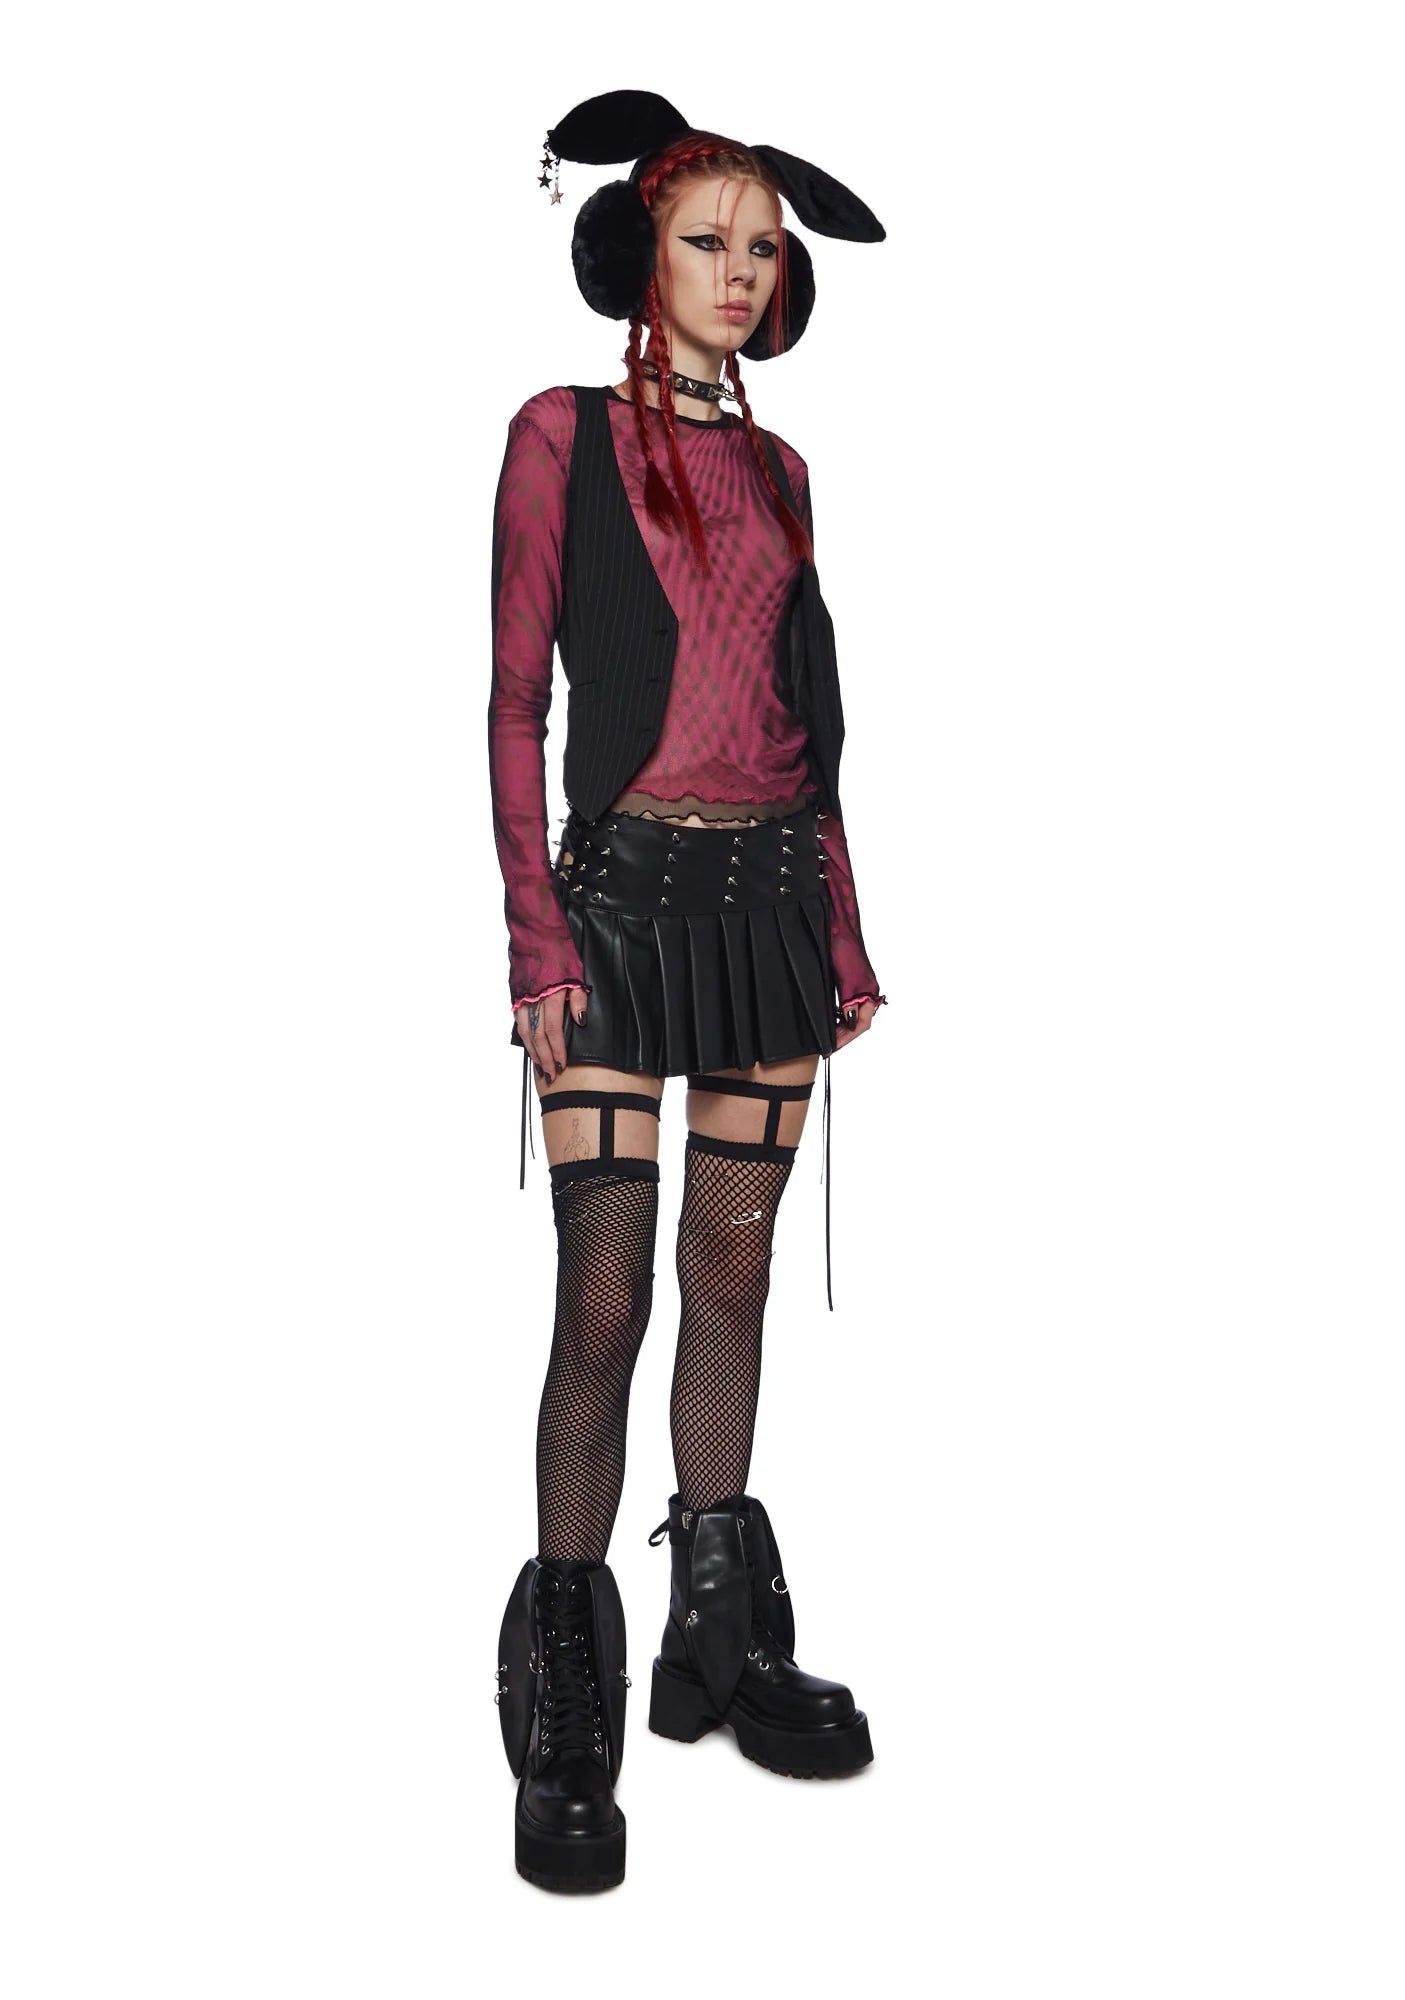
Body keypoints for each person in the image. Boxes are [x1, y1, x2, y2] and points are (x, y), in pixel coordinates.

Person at [491, 91, 887, 1893]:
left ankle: (714, 1639)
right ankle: (565, 1691)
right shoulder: (559, 435)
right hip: (621, 908)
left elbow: (809, 725)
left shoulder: (784, 470)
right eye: (705, 242)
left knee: (732, 1271)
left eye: (761, 249)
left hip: (769, 905)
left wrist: (844, 930)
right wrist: (536, 939)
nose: (740, 272)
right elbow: (517, 702)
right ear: (637, 260)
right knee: (604, 1288)